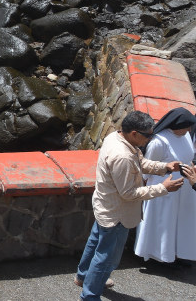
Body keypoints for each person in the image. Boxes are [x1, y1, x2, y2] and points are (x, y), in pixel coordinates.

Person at [75, 110, 184, 300]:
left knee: (95, 243)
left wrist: (164, 167)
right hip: (118, 214)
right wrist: (163, 188)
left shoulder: (116, 138)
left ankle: (83, 276)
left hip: (105, 206)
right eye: (148, 135)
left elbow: (139, 162)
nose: (151, 139)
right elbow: (129, 194)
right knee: (106, 259)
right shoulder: (122, 156)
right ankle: (90, 295)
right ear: (134, 133)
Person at [134, 107, 196, 267]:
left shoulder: (186, 136)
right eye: (187, 126)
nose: (190, 130)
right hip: (164, 189)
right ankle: (160, 256)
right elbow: (147, 169)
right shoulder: (159, 142)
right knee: (164, 223)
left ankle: (179, 253)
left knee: (181, 223)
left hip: (185, 189)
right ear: (177, 125)